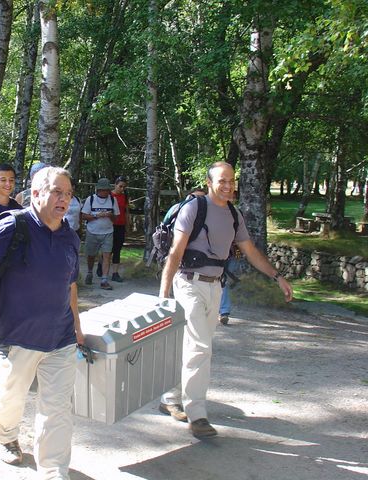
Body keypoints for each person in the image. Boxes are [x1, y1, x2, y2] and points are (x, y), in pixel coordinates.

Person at [0, 166, 83, 477]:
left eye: (67, 194)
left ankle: (54, 469)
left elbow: (70, 284)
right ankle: (6, 436)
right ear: (37, 193)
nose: (63, 199)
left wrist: (77, 327)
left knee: (57, 408)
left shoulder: (69, 236)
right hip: (16, 335)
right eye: (57, 191)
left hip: (61, 337)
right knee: (11, 399)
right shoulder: (15, 226)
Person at [158, 162, 293, 439]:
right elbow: (176, 252)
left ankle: (169, 398)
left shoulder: (234, 214)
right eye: (223, 181)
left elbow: (251, 251)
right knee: (200, 348)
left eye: (232, 181)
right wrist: (164, 292)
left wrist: (277, 276)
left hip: (215, 288)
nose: (229, 186)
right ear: (209, 182)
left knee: (194, 346)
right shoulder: (194, 208)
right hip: (189, 284)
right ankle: (197, 415)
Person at [81, 178, 120, 290]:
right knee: (91, 255)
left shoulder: (113, 200)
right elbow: (83, 215)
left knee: (107, 255)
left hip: (108, 232)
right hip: (92, 231)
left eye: (106, 190)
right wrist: (96, 216)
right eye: (102, 190)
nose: (104, 192)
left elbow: (115, 219)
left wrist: (109, 215)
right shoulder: (91, 199)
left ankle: (104, 280)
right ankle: (89, 272)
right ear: (98, 189)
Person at [109, 176, 131, 282]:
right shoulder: (109, 196)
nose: (122, 189)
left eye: (124, 187)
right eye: (120, 186)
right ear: (115, 185)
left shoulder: (124, 196)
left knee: (117, 249)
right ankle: (101, 264)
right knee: (108, 249)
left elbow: (126, 211)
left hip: (121, 225)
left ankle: (115, 273)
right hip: (110, 225)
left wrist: (128, 225)